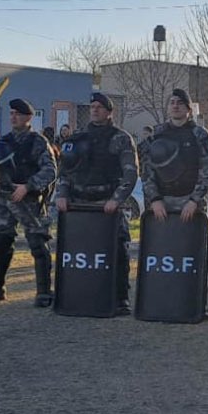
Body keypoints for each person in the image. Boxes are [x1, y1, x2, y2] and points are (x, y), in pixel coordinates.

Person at [56, 93, 138, 315]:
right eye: (92, 107)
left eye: (100, 107)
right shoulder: (78, 137)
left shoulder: (121, 138)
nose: (94, 110)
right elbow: (65, 170)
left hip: (108, 204)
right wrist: (62, 194)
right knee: (77, 251)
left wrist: (116, 200)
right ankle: (74, 292)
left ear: (109, 112)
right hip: (79, 204)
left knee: (119, 250)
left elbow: (130, 174)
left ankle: (121, 298)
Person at [0, 98, 57, 307]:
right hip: (5, 199)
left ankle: (43, 292)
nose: (13, 117)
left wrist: (28, 186)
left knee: (38, 243)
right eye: (11, 113)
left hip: (29, 200)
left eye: (18, 114)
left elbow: (50, 170)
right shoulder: (3, 141)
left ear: (28, 117)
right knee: (1, 242)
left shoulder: (38, 142)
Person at [139, 88, 208, 222]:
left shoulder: (200, 135)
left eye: (180, 103)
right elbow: (146, 172)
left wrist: (194, 201)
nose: (175, 106)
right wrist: (155, 199)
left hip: (191, 205)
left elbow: (207, 173)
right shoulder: (156, 135)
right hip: (161, 205)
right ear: (168, 108)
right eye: (172, 102)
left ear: (188, 109)